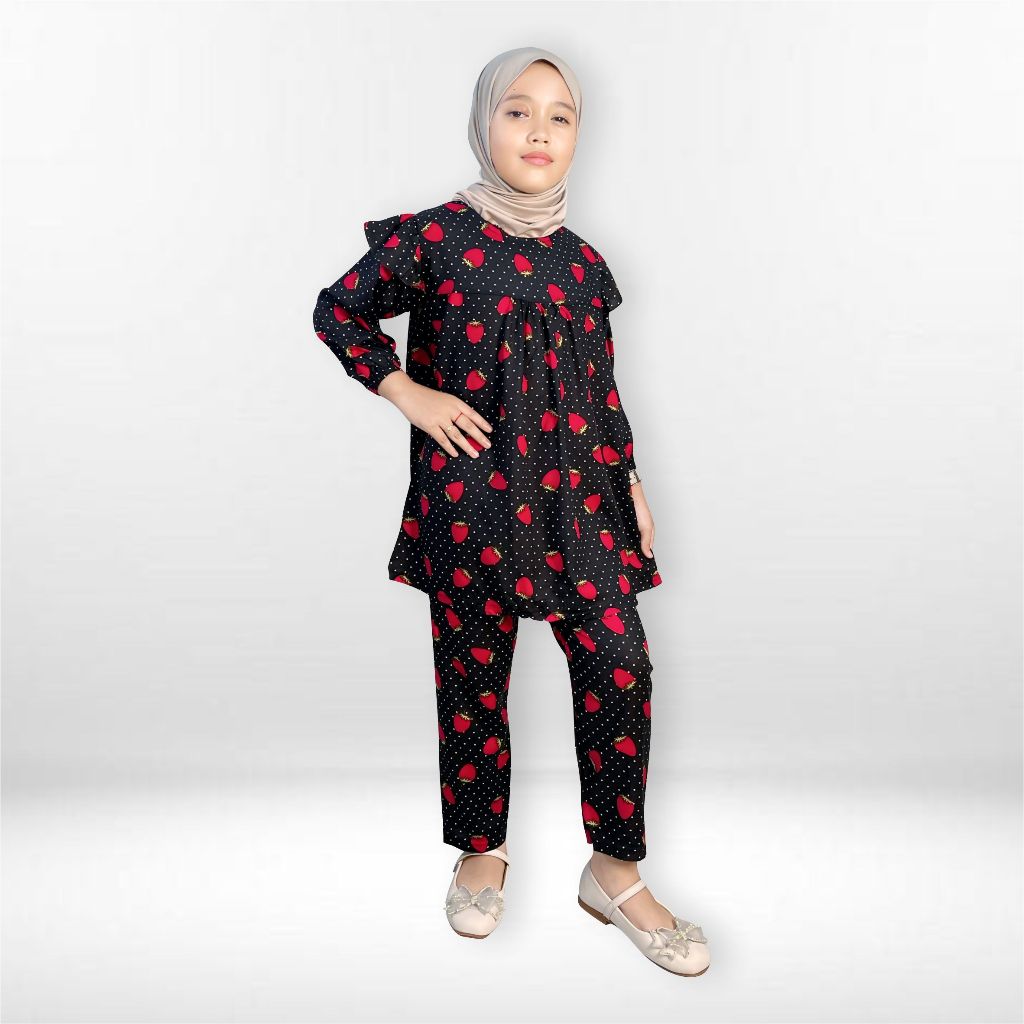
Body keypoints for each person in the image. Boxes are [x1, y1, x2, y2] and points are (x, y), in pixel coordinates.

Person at [312, 47, 709, 976]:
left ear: (578, 137)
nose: (539, 131)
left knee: (620, 666)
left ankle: (613, 872)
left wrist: (633, 481)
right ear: (483, 123)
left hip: (582, 498)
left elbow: (600, 388)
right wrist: (405, 391)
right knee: (473, 682)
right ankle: (480, 854)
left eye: (560, 116)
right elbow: (339, 310)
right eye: (518, 111)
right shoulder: (435, 238)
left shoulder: (583, 266)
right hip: (473, 499)